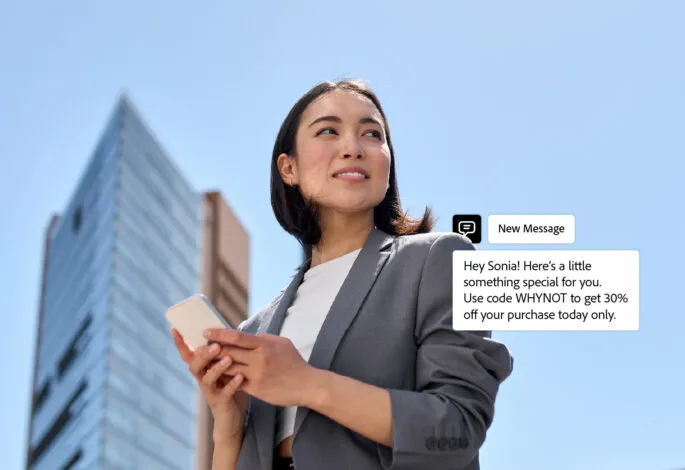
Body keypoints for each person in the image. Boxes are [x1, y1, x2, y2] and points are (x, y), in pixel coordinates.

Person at [171, 79, 514, 470]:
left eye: (372, 134)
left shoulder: (440, 259)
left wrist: (307, 384)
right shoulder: (255, 329)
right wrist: (229, 427)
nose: (353, 148)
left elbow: (457, 427)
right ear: (288, 168)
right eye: (328, 131)